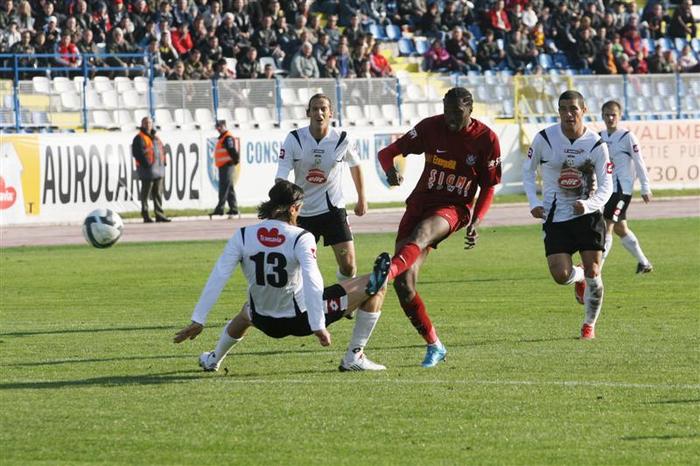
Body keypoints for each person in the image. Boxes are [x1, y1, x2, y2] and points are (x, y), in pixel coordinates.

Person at [174, 180, 390, 372]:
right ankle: (355, 355)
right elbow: (314, 281)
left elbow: (218, 276)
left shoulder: (242, 235)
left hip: (262, 320)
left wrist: (198, 319)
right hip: (301, 320)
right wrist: (318, 325)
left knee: (245, 312)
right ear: (294, 208)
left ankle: (213, 360)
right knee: (377, 282)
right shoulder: (301, 237)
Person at [377, 87, 502, 367]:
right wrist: (390, 169)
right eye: (446, 110)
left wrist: (477, 219)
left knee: (421, 236)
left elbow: (489, 186)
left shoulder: (486, 139)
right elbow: (387, 153)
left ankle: (385, 273)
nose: (450, 118)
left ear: (470, 109)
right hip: (419, 204)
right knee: (405, 285)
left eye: (457, 112)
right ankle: (435, 345)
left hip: (453, 209)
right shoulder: (430, 127)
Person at [522, 90, 612, 340]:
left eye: (573, 108)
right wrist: (533, 202)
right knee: (560, 276)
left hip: (588, 215)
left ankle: (588, 326)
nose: (568, 114)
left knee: (595, 270)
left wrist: (590, 204)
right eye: (563, 109)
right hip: (555, 215)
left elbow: (608, 185)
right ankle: (578, 275)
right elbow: (527, 171)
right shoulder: (544, 139)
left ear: (584, 110)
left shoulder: (596, 144)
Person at [275, 94, 367, 282]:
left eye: (323, 108)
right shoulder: (294, 139)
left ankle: (344, 299)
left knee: (349, 266)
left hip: (333, 210)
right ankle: (298, 307)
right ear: (308, 113)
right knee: (293, 267)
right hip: (301, 213)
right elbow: (281, 174)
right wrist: (282, 202)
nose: (319, 112)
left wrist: (362, 198)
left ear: (330, 113)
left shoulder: (342, 139)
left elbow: (355, 165)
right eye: (315, 108)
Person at [599, 100, 653, 274]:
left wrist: (645, 187)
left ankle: (596, 269)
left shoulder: (627, 137)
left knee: (607, 225)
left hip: (622, 190)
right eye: (607, 114)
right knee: (621, 228)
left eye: (613, 114)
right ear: (602, 116)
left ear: (619, 116)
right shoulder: (600, 137)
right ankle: (644, 263)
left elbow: (639, 162)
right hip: (608, 189)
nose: (610, 118)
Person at [131, 116, 170, 223]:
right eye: (145, 123)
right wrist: (147, 164)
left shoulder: (156, 137)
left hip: (159, 169)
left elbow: (162, 149)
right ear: (142, 124)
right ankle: (146, 215)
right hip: (147, 170)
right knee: (146, 194)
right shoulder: (139, 138)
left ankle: (159, 214)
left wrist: (163, 163)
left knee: (158, 194)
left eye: (149, 123)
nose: (148, 125)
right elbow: (137, 153)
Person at [209, 120, 240, 219]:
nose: (218, 128)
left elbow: (232, 150)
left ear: (224, 126)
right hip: (224, 166)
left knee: (224, 187)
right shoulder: (223, 137)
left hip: (227, 165)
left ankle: (220, 209)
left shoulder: (227, 137)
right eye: (217, 127)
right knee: (229, 187)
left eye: (220, 126)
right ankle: (234, 208)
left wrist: (235, 161)